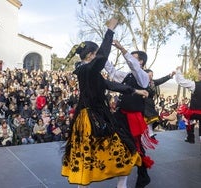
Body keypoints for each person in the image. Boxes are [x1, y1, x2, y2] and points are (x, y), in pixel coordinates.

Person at [61, 18, 148, 188]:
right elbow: (102, 59)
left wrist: (135, 90)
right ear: (91, 55)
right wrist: (110, 30)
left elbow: (109, 84)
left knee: (88, 157)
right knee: (120, 151)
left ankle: (119, 185)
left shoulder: (86, 70)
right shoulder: (88, 68)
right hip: (92, 118)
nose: (97, 58)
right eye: (95, 54)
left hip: (90, 117)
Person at [105, 40, 155, 188]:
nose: (131, 61)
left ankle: (141, 176)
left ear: (141, 62)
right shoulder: (126, 76)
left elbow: (133, 66)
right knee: (121, 144)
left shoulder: (143, 77)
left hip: (133, 118)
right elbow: (112, 71)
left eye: (134, 58)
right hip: (121, 115)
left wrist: (122, 48)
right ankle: (127, 179)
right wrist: (101, 56)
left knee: (135, 147)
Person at [143, 69, 175, 137]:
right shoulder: (141, 82)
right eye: (150, 75)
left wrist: (170, 76)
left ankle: (150, 132)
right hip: (143, 103)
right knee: (149, 118)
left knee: (153, 119)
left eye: (152, 75)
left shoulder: (153, 82)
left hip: (150, 103)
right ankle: (147, 132)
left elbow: (161, 80)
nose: (151, 76)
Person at [175, 66, 201, 143]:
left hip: (195, 112)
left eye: (199, 74)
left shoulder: (195, 85)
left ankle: (190, 136)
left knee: (187, 117)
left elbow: (181, 81)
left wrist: (179, 70)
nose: (199, 76)